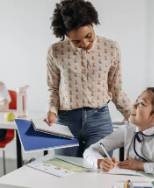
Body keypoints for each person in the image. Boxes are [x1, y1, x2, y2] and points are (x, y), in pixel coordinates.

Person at [46, 0, 131, 157]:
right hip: (66, 121)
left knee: (99, 172)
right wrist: (52, 110)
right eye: (76, 41)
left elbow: (115, 88)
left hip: (99, 120)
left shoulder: (111, 48)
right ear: (65, 35)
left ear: (93, 24)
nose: (84, 43)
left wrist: (131, 114)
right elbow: (54, 88)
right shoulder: (56, 51)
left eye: (88, 36)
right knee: (65, 170)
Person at [83, 87, 154, 179]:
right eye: (136, 101)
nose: (134, 105)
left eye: (142, 103)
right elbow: (90, 150)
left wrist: (140, 166)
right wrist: (99, 161)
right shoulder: (128, 130)